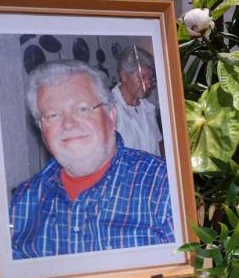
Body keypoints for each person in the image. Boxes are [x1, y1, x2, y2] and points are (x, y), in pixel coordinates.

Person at [10, 60, 175, 260]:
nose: (68, 124)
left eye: (82, 109)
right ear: (42, 131)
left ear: (112, 116)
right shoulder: (23, 202)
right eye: (53, 115)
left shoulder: (165, 186)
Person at [112, 45, 164, 157]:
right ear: (124, 76)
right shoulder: (109, 108)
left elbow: (159, 145)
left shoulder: (148, 108)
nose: (148, 84)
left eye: (150, 78)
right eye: (141, 78)